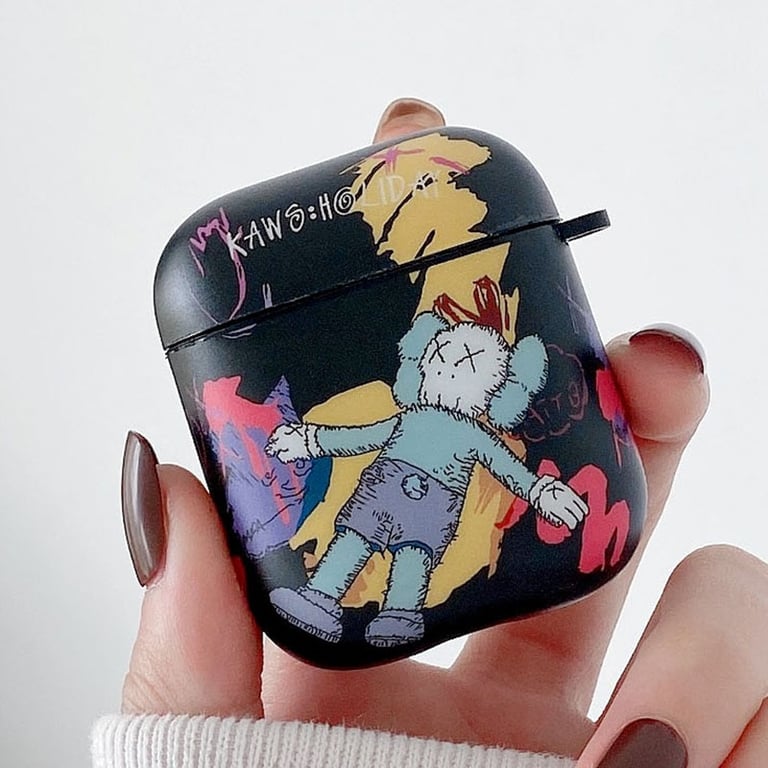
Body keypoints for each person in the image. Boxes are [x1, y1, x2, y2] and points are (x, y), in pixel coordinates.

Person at [94, 99, 767, 768]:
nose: (457, 357)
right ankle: (323, 600)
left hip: (429, 507)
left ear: (497, 389)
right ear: (424, 363)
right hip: (385, 491)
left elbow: (505, 468)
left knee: (411, 565)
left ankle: (397, 613)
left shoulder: (471, 433)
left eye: (473, 359)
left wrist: (544, 494)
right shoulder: (407, 414)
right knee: (353, 543)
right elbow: (360, 437)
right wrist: (307, 441)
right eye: (447, 352)